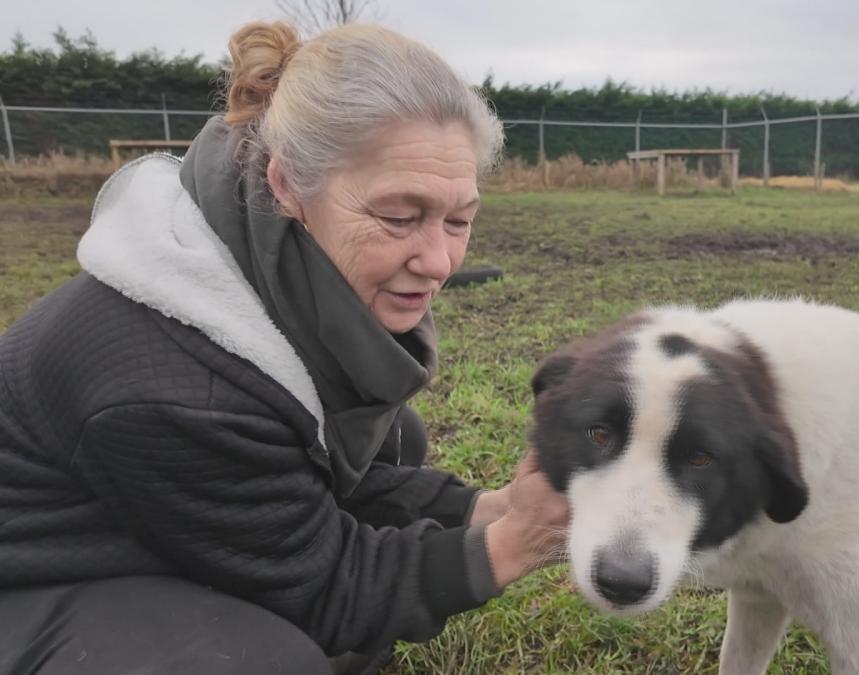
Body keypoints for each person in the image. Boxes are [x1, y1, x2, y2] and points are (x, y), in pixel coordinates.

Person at [0, 20, 570, 675]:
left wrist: (486, 509)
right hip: (26, 578)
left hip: (142, 519)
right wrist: (512, 543)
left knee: (393, 442)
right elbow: (329, 591)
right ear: (288, 184)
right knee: (263, 661)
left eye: (459, 219)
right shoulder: (182, 383)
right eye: (398, 216)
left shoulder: (268, 256)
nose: (439, 261)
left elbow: (320, 480)